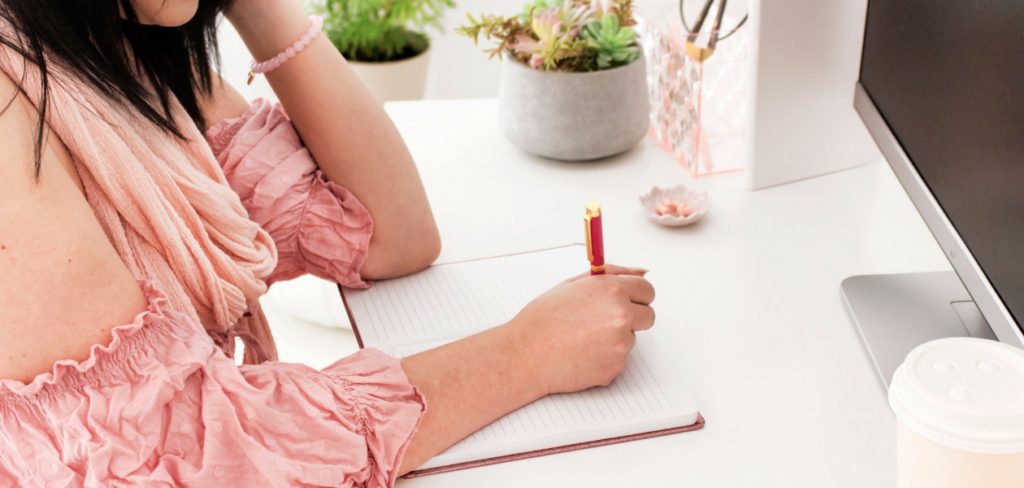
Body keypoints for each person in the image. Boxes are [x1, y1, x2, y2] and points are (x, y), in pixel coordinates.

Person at [0, 0, 656, 485]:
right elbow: (210, 461)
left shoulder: (116, 42)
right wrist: (529, 352)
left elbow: (389, 234)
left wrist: (259, 8)